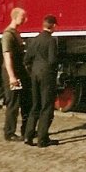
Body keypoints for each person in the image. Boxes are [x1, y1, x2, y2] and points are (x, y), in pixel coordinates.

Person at [23, 14, 59, 147]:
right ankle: (42, 139)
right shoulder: (51, 41)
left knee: (35, 105)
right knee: (47, 106)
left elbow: (26, 59)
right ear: (53, 26)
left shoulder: (35, 39)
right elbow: (52, 60)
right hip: (47, 75)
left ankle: (28, 135)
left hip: (35, 73)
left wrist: (32, 71)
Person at [2, 7, 31, 142]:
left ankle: (26, 129)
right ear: (15, 17)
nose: (25, 20)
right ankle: (9, 132)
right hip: (12, 71)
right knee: (13, 102)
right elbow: (7, 57)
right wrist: (12, 76)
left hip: (18, 70)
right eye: (23, 17)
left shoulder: (15, 33)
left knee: (25, 100)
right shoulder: (8, 35)